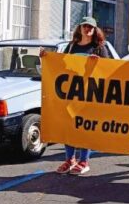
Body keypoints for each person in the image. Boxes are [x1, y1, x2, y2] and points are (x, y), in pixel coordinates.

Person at [45, 17, 109, 175]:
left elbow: (109, 69)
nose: (87, 29)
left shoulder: (99, 47)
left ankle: (84, 161)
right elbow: (61, 64)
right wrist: (46, 57)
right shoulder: (71, 46)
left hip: (89, 95)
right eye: (85, 26)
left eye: (91, 27)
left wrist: (99, 63)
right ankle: (69, 159)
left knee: (84, 127)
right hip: (71, 93)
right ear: (80, 28)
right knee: (69, 127)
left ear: (95, 30)